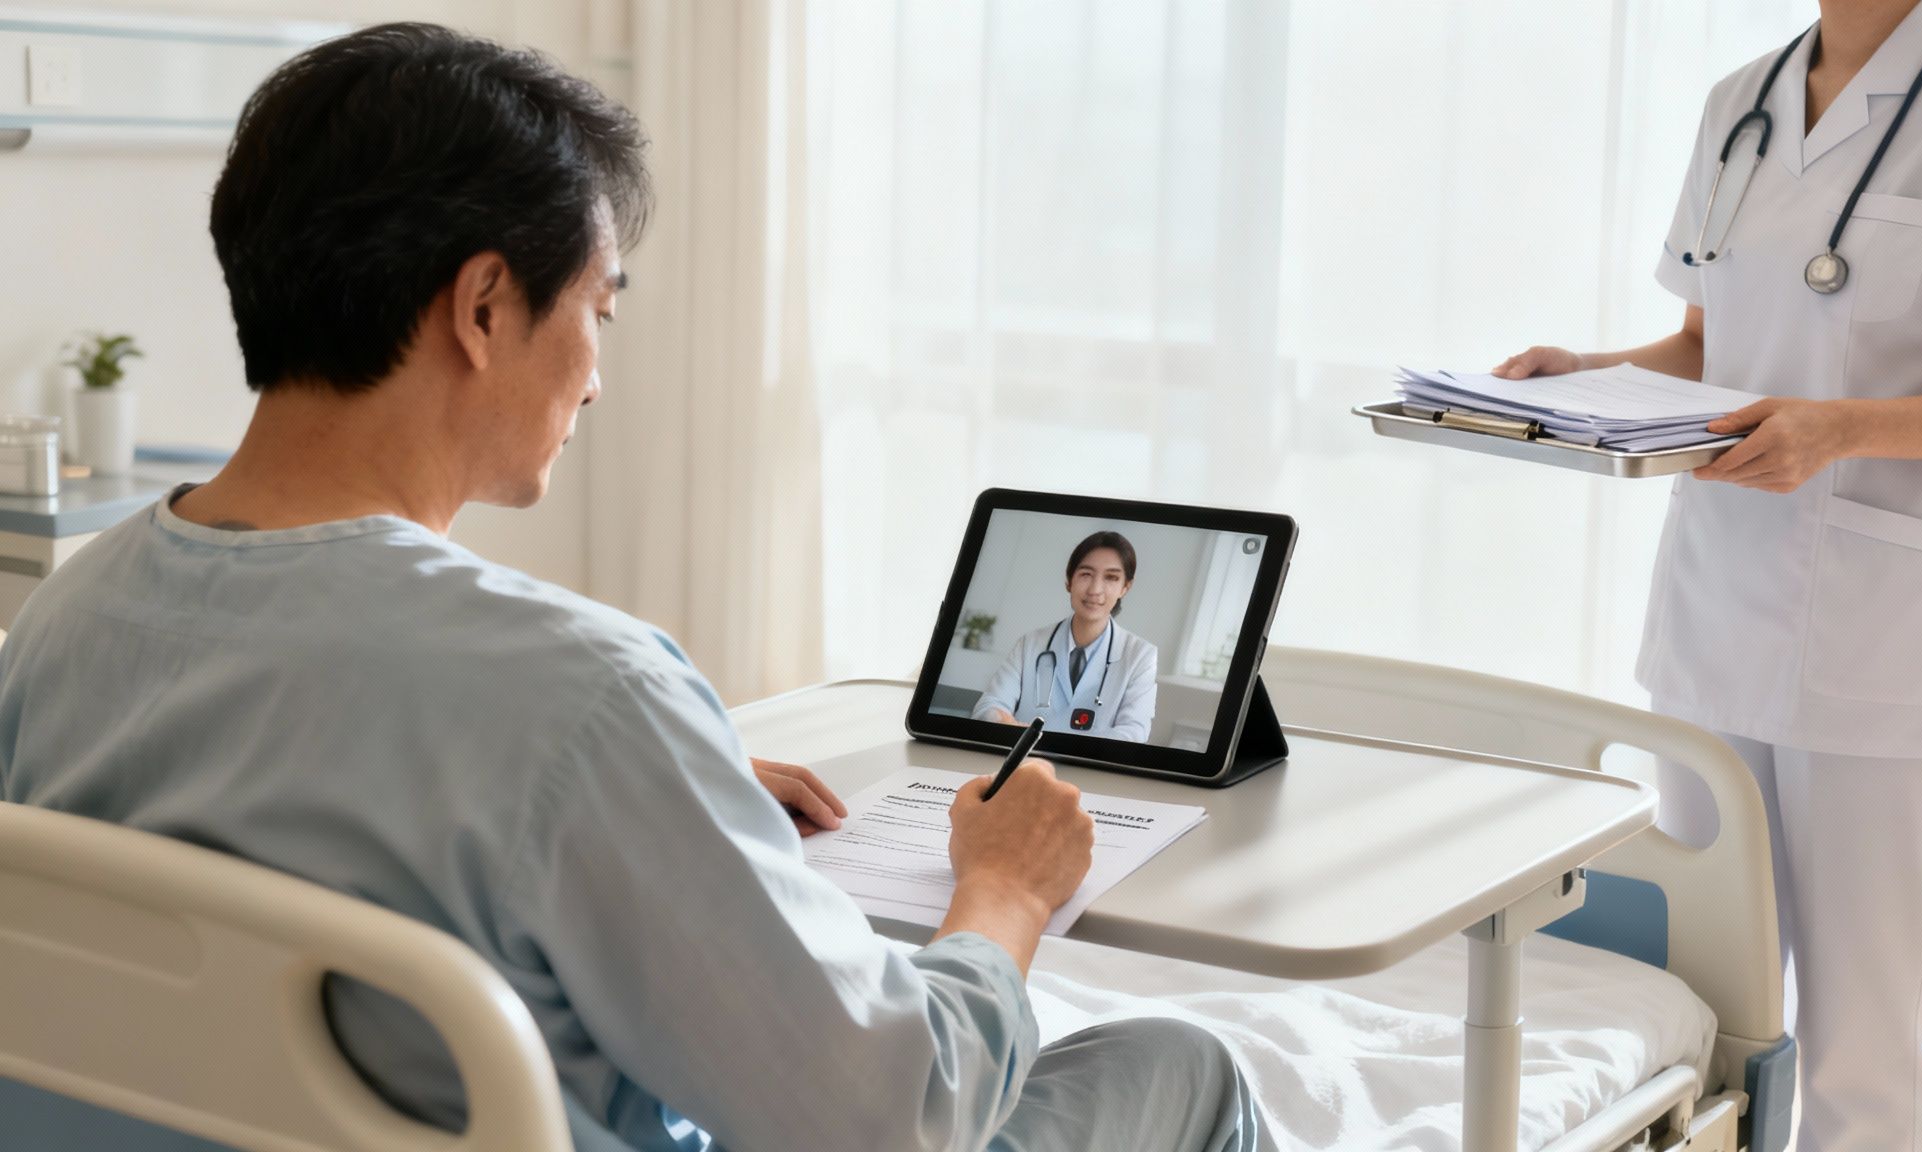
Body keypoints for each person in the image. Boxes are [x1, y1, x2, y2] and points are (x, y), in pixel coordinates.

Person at [0, 25, 1261, 1152]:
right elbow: (897, 1119)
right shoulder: (582, 696)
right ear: (485, 306)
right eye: (598, 310)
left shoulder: (60, 622)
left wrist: (658, 782)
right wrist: (1003, 889)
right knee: (1181, 1067)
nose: (595, 377)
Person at [1494, 1, 1922, 1146]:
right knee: (1703, 1000)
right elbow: (1707, 346)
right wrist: (1578, 374)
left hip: (1879, 648)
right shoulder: (1737, 102)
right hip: (1710, 621)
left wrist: (1833, 429)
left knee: (1865, 1043)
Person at [973, 531, 1160, 741]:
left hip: (1088, 771)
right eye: (1086, 574)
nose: (1095, 590)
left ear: (1125, 587)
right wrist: (1003, 722)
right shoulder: (1030, 644)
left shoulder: (1141, 656)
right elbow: (989, 706)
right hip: (1024, 764)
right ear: (1069, 581)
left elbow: (1134, 733)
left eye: (1111, 578)